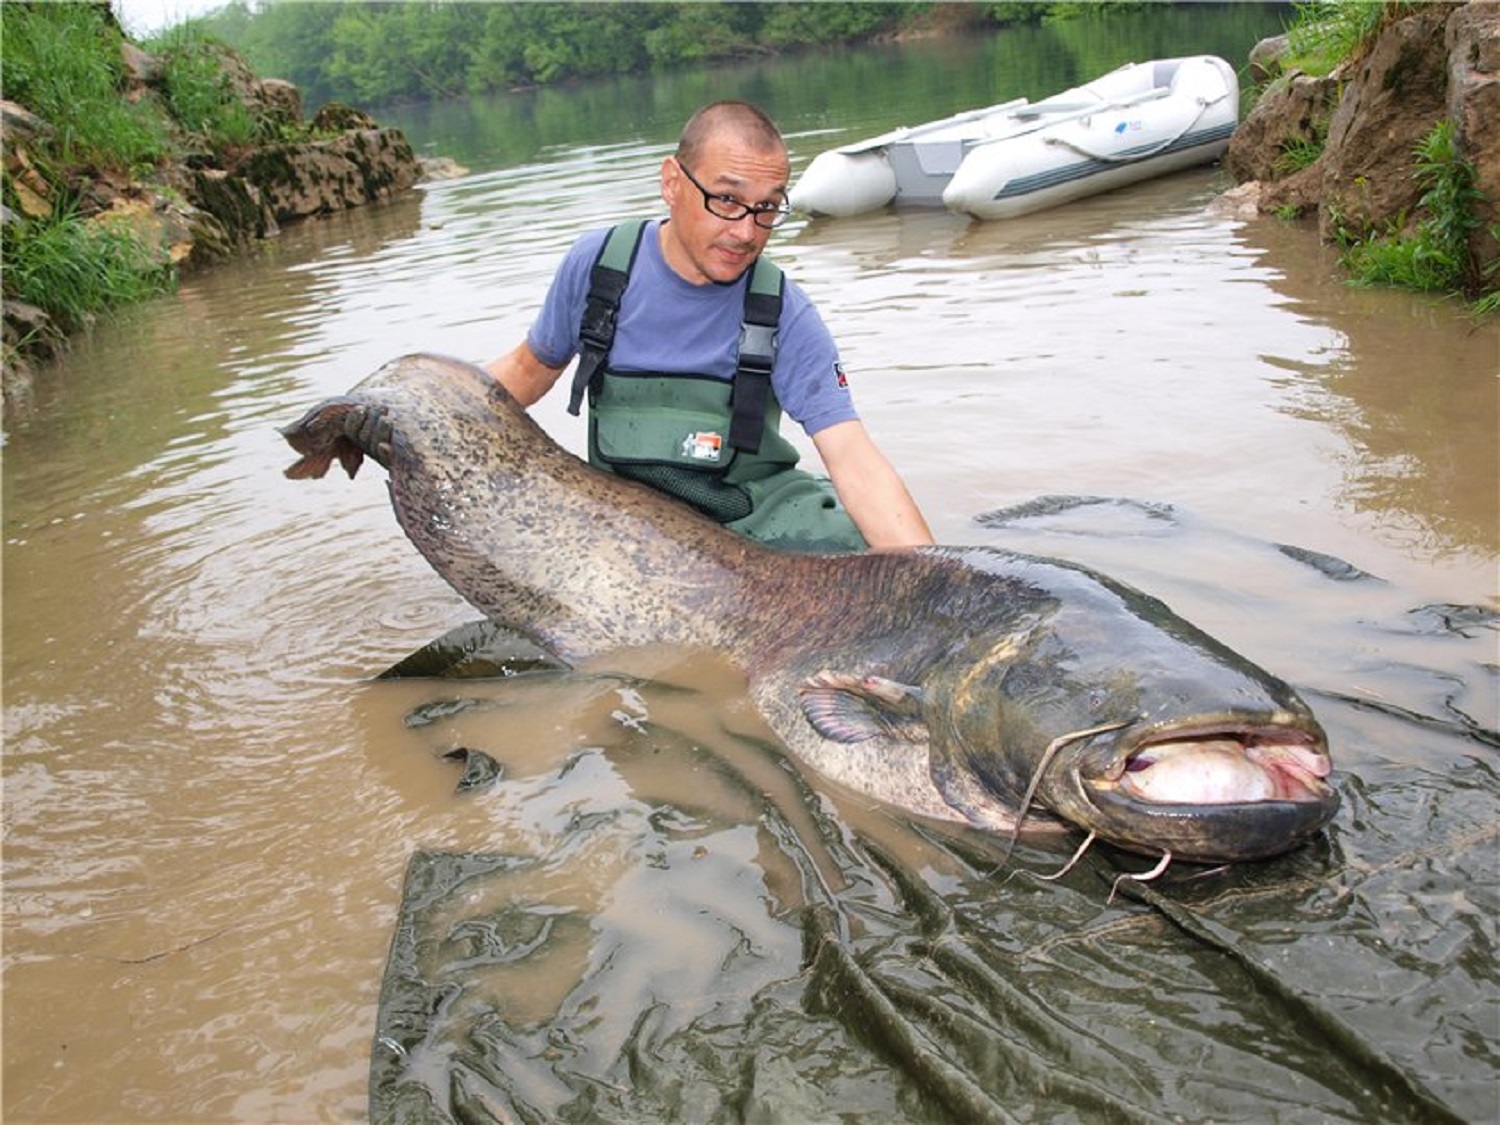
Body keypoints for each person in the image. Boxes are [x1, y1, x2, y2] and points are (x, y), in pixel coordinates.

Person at [486, 100, 933, 552]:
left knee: (860, 548)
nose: (746, 232)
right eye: (727, 200)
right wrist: (431, 414)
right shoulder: (600, 268)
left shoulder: (783, 311)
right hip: (629, 521)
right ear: (672, 183)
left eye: (767, 208)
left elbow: (853, 459)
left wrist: (932, 580)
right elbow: (527, 371)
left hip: (748, 519)